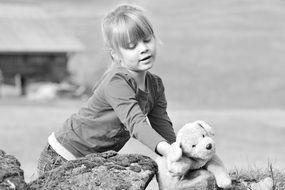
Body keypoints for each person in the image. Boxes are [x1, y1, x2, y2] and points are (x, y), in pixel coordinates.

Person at [37, 4, 178, 176]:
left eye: (147, 40)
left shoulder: (155, 85)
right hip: (64, 154)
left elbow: (162, 127)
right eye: (132, 46)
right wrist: (171, 153)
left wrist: (180, 153)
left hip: (92, 162)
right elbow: (137, 125)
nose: (143, 49)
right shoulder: (117, 81)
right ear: (115, 54)